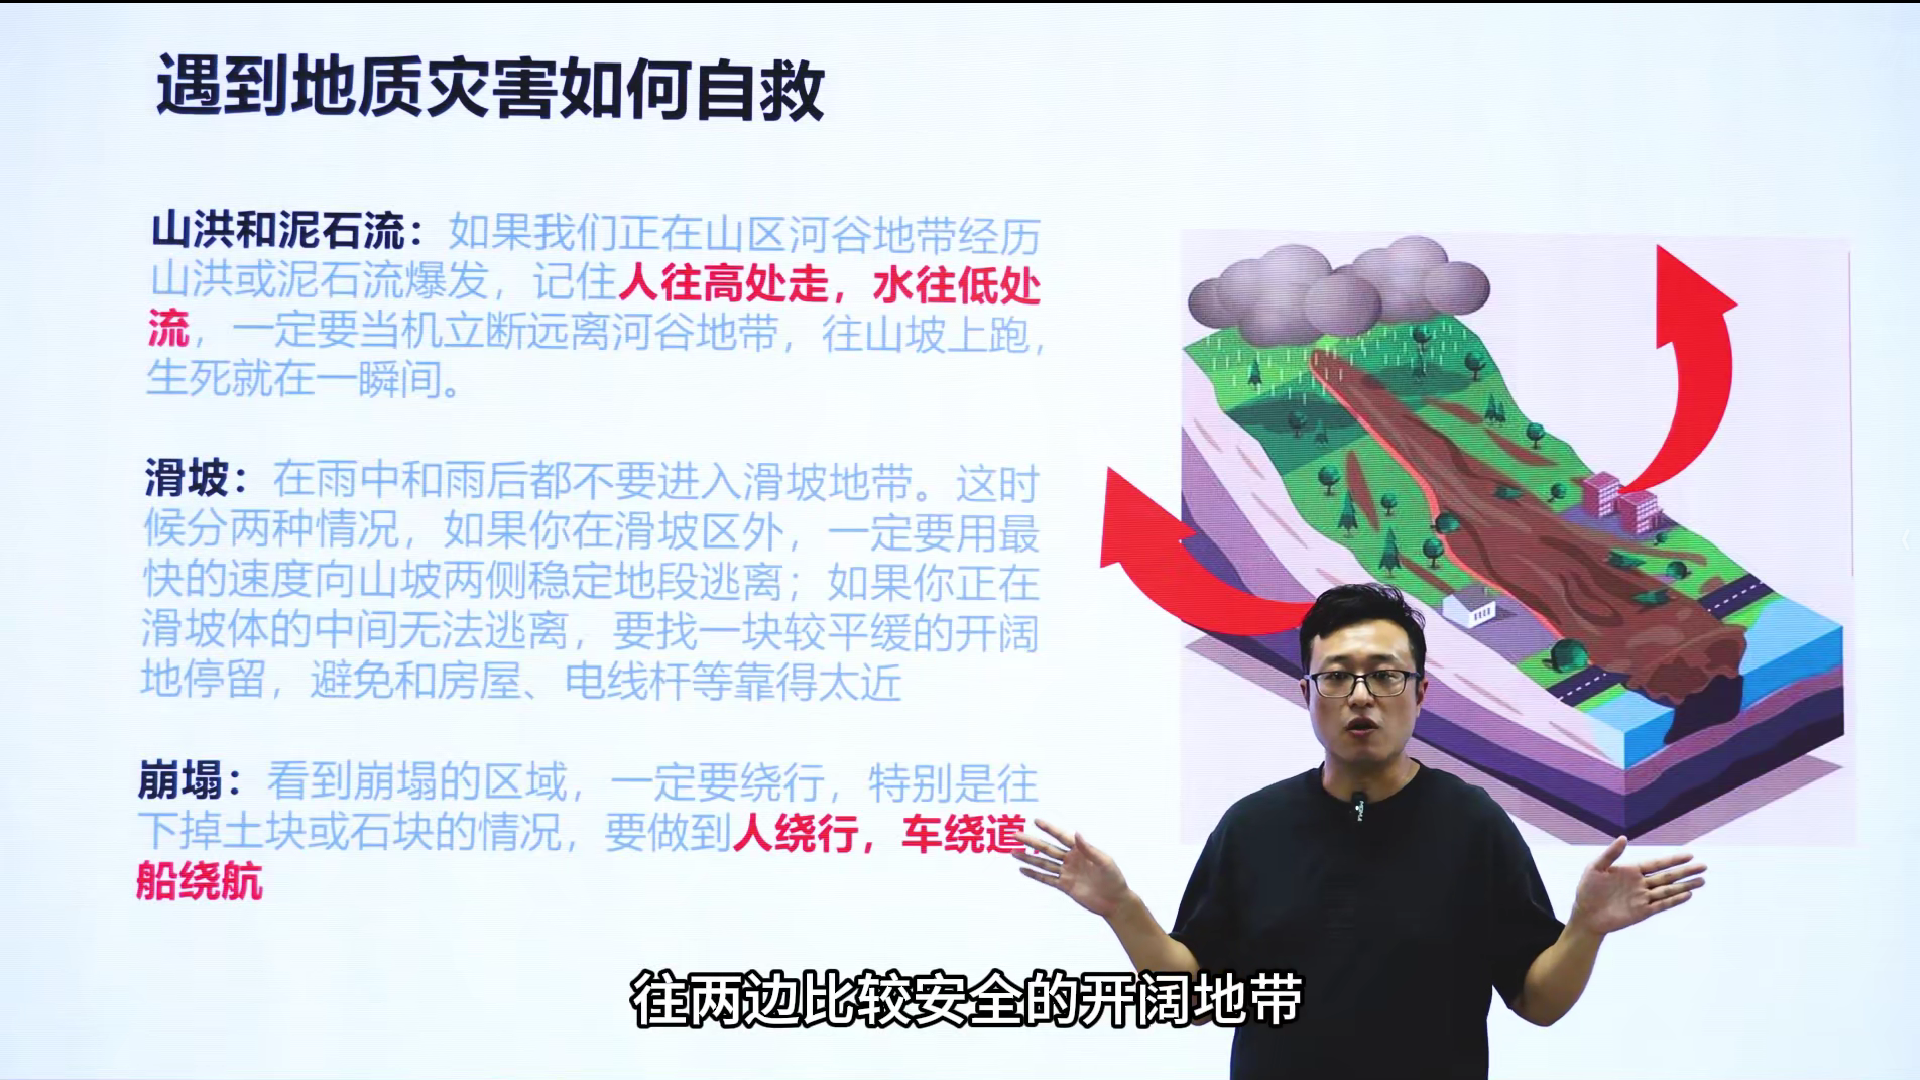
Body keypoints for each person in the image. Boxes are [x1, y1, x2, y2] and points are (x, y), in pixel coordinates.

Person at [1014, 582, 1707, 1079]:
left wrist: (1585, 928)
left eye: (1385, 676)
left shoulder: (1473, 824)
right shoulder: (1253, 827)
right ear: (1306, 694)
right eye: (1337, 678)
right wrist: (1122, 909)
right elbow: (1195, 999)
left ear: (1421, 693)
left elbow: (1538, 1001)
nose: (1361, 697)